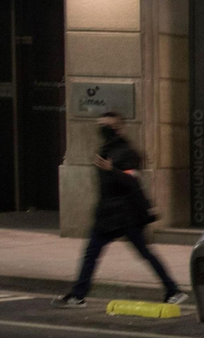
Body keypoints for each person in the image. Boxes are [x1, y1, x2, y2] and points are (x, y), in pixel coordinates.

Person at [55, 112, 186, 308]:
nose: (103, 129)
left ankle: (173, 290)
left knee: (144, 253)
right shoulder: (105, 150)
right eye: (101, 125)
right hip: (108, 214)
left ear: (118, 128)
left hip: (126, 215)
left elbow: (133, 182)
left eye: (107, 126)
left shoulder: (127, 153)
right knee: (91, 253)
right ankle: (78, 294)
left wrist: (111, 170)